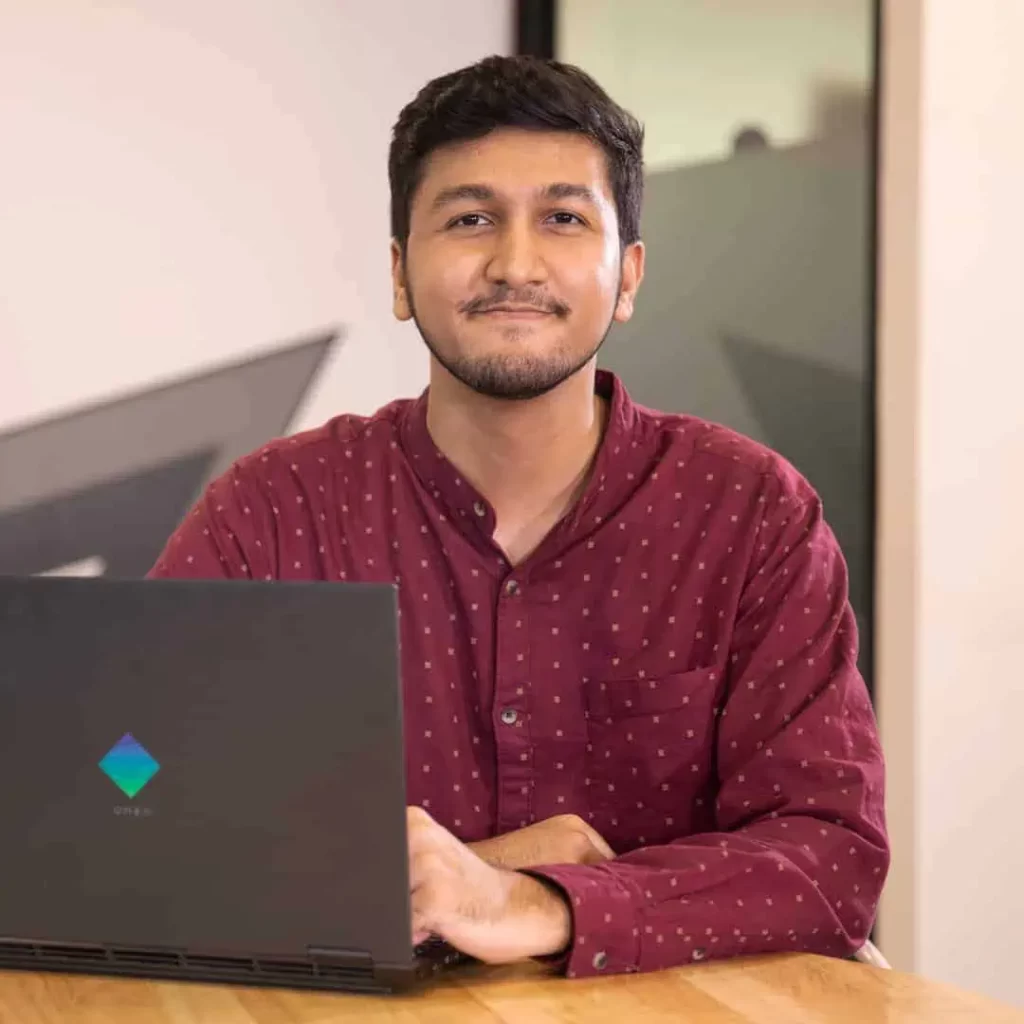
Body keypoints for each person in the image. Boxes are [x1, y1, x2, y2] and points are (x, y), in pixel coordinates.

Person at [148, 54, 889, 978]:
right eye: (470, 219)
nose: (515, 264)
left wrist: (538, 903)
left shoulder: (749, 515)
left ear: (627, 276)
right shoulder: (272, 512)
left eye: (564, 219)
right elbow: (126, 785)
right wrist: (481, 872)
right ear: (399, 274)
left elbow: (829, 857)